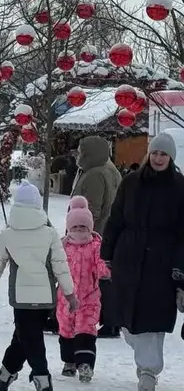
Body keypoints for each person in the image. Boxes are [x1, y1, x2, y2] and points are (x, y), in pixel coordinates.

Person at [100, 132, 184, 391]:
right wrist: (108, 252)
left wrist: (180, 265)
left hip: (162, 259)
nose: (159, 158)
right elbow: (115, 218)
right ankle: (144, 359)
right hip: (129, 254)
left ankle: (149, 370)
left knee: (153, 317)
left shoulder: (180, 187)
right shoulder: (131, 182)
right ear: (149, 154)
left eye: (164, 154)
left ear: (171, 158)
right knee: (127, 319)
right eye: (155, 153)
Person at [0, 182, 77, 391]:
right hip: (45, 298)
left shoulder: (7, 234)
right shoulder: (50, 233)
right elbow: (60, 264)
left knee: (29, 338)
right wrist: (70, 293)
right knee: (23, 336)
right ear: (37, 206)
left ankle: (43, 384)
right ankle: (4, 376)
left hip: (22, 298)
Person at [71, 135, 123, 337]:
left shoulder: (95, 174)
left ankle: (106, 320)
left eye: (82, 150)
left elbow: (91, 210)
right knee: (104, 277)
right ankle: (110, 320)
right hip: (106, 234)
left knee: (94, 278)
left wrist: (77, 232)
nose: (79, 154)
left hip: (93, 235)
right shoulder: (110, 170)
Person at [57, 197, 109, 382]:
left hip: (89, 297)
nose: (79, 231)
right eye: (75, 227)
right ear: (69, 228)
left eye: (83, 227)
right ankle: (69, 361)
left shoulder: (95, 246)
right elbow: (55, 265)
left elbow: (100, 263)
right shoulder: (62, 246)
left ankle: (85, 364)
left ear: (90, 228)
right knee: (66, 329)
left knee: (86, 329)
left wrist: (106, 271)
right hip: (66, 297)